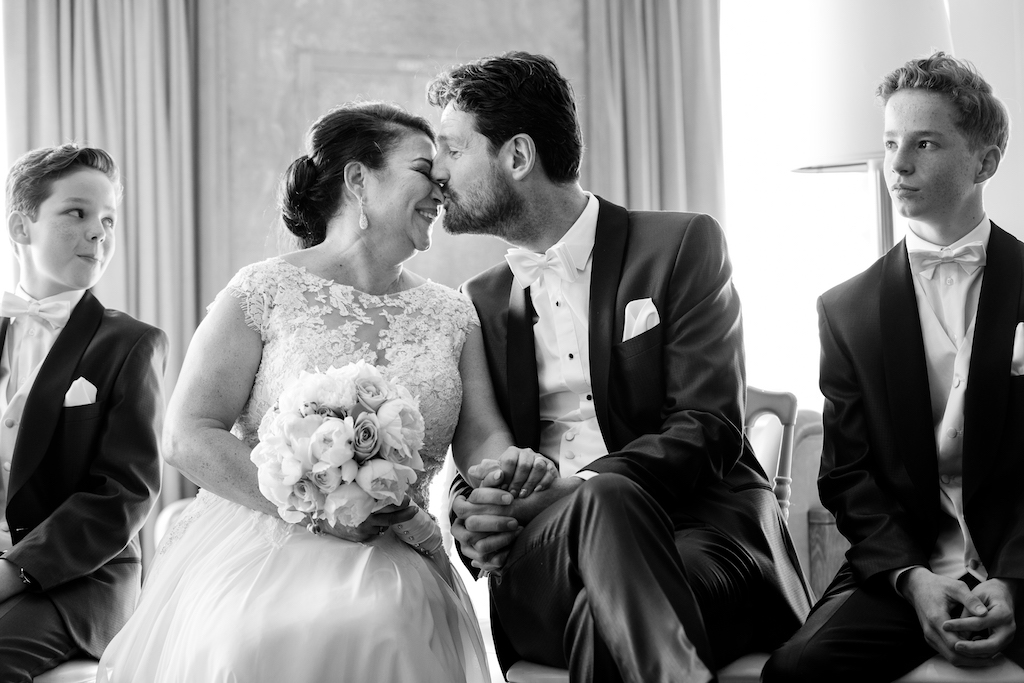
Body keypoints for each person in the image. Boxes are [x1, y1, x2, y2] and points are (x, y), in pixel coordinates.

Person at [97, 101, 556, 683]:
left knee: (377, 623)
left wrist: (507, 469)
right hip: (260, 541)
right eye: (423, 170)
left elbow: (482, 436)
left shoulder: (451, 313)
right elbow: (189, 434)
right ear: (359, 179)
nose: (442, 189)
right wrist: (313, 514)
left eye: (444, 175)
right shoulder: (264, 290)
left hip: (396, 547)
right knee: (261, 638)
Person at [428, 51, 813, 683]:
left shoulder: (683, 245)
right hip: (543, 559)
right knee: (598, 546)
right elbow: (478, 458)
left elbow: (710, 425)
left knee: (598, 615)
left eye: (452, 149)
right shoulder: (479, 303)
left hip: (702, 538)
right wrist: (473, 517)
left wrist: (581, 487)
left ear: (517, 157)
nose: (437, 172)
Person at [763, 52, 1024, 682]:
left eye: (925, 143)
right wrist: (913, 582)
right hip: (905, 567)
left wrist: (1017, 580)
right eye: (890, 143)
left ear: (985, 161)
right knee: (796, 669)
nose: (897, 165)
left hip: (1022, 560)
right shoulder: (845, 311)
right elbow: (848, 476)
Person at [0, 144, 167, 682]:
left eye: (109, 220)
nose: (100, 233)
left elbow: (123, 494)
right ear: (22, 228)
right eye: (77, 212)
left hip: (79, 581)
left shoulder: (130, 344)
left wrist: (13, 571)